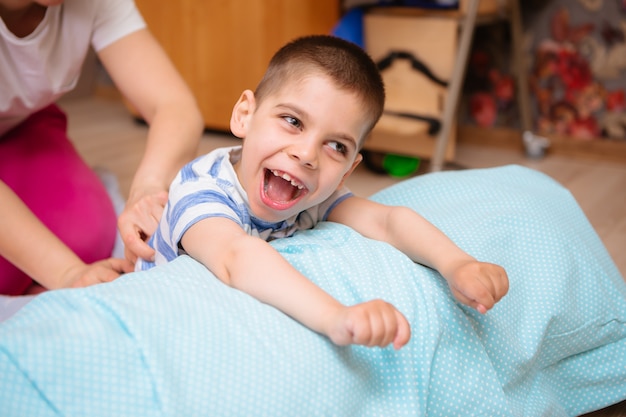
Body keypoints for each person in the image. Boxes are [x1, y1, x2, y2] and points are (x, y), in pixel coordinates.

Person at [137, 35, 509, 350]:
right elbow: (237, 258)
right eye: (292, 121)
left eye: (336, 146)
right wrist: (335, 316)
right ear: (244, 115)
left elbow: (386, 221)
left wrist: (456, 263)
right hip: (155, 320)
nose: (306, 154)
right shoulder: (201, 190)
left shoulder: (316, 195)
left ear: (349, 170)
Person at [0, 0, 204, 295]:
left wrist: (147, 188)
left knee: (89, 239)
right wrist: (68, 273)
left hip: (22, 127)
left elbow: (175, 106)